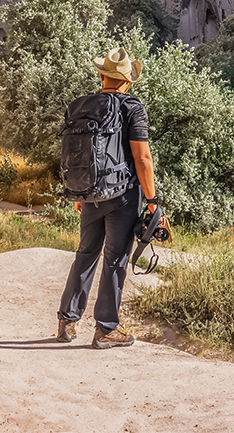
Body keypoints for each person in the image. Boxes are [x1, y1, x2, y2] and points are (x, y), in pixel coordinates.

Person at [56, 47, 167, 348]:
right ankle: (106, 328)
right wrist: (153, 200)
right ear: (127, 80)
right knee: (115, 258)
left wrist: (82, 189)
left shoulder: (82, 105)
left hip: (88, 192)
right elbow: (142, 159)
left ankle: (67, 321)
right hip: (121, 195)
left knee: (86, 254)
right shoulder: (132, 106)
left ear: (103, 76)